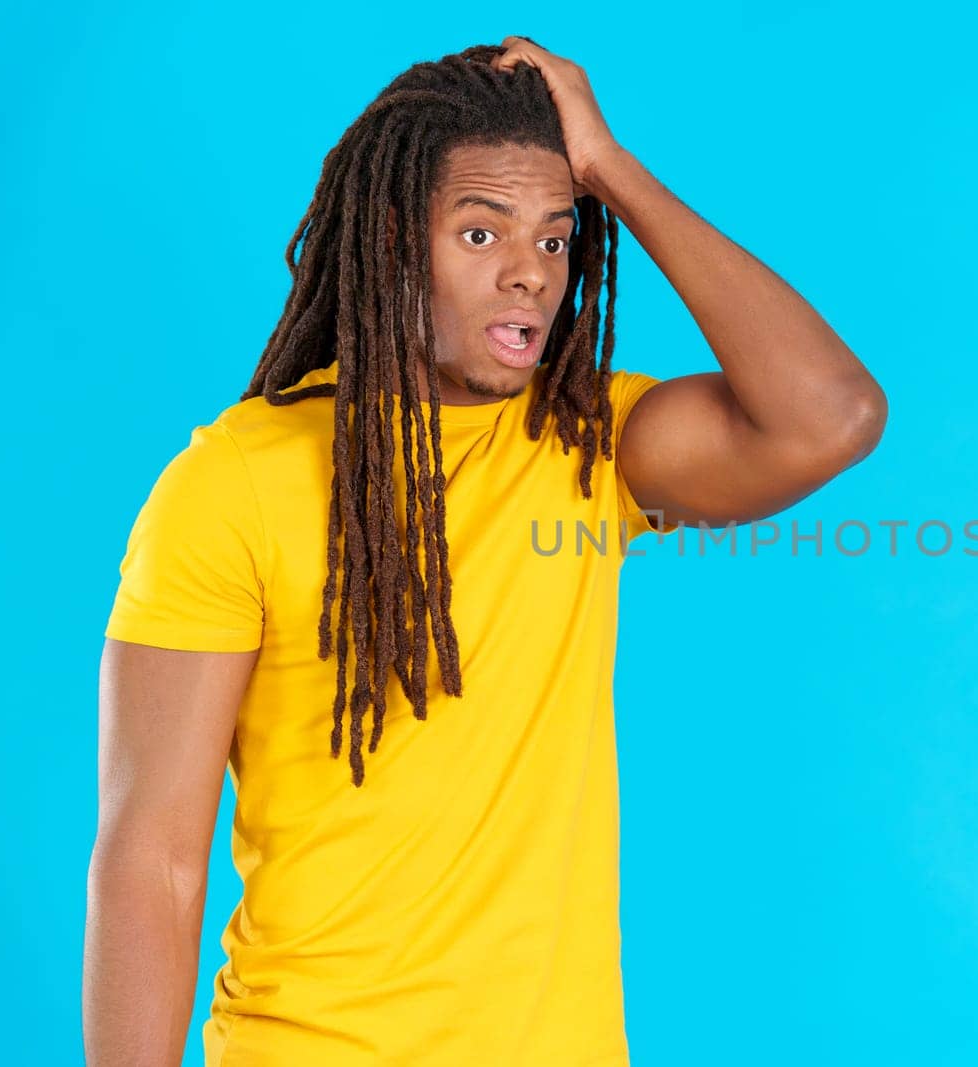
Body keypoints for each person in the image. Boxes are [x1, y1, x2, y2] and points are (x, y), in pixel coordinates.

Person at [82, 37, 886, 1067]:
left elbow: (832, 417)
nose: (527, 276)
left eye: (556, 241)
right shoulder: (234, 483)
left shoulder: (585, 442)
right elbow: (151, 854)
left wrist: (611, 171)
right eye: (479, 231)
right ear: (386, 241)